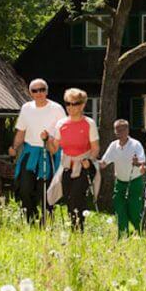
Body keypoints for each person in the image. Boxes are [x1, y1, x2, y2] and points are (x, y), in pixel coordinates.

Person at [8, 79, 65, 225]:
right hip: (30, 152)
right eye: (35, 90)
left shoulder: (57, 108)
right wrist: (14, 148)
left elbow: (63, 132)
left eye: (42, 90)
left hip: (49, 153)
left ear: (46, 91)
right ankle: (30, 219)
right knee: (24, 188)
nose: (39, 93)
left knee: (45, 190)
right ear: (30, 92)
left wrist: (51, 139)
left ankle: (46, 222)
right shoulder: (26, 108)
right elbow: (21, 131)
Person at [46, 88, 101, 231]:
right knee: (69, 199)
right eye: (67, 104)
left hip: (84, 165)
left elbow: (95, 148)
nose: (70, 107)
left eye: (74, 104)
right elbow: (54, 149)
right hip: (66, 165)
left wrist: (89, 160)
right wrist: (46, 140)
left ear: (82, 105)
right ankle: (74, 231)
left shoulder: (89, 123)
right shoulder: (61, 124)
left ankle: (78, 230)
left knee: (77, 197)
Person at [99, 119, 146, 237]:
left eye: (123, 129)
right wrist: (91, 162)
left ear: (128, 130)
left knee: (134, 212)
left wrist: (137, 163)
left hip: (134, 182)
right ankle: (122, 237)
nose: (120, 132)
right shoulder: (113, 146)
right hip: (119, 184)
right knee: (120, 211)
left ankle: (140, 234)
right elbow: (103, 163)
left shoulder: (136, 144)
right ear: (115, 131)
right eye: (117, 129)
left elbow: (142, 162)